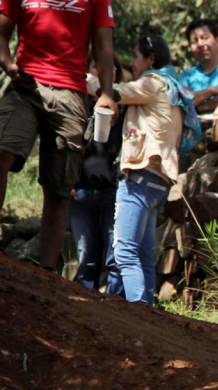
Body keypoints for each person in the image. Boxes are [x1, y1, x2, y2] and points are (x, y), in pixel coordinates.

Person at [0, 0, 117, 273]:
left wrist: (107, 94)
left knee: (59, 185)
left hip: (71, 92)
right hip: (25, 85)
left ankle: (47, 273)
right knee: (2, 150)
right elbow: (2, 34)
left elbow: (103, 46)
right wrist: (9, 68)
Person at [110, 35, 201, 305]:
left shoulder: (152, 82)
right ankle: (148, 314)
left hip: (140, 174)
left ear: (151, 59)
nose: (133, 63)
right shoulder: (172, 86)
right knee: (143, 253)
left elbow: (115, 92)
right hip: (160, 179)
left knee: (125, 252)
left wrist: (85, 80)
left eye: (137, 57)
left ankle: (138, 309)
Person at [70, 56, 130, 295]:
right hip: (81, 189)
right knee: (86, 259)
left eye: (111, 68)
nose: (104, 72)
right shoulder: (76, 103)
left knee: (116, 258)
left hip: (112, 189)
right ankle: (86, 309)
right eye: (96, 66)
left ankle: (114, 309)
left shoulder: (125, 105)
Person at [178, 19, 218, 113]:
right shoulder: (186, 77)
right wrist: (212, 90)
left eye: (205, 38)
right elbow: (185, 103)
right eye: (195, 41)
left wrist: (198, 106)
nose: (200, 44)